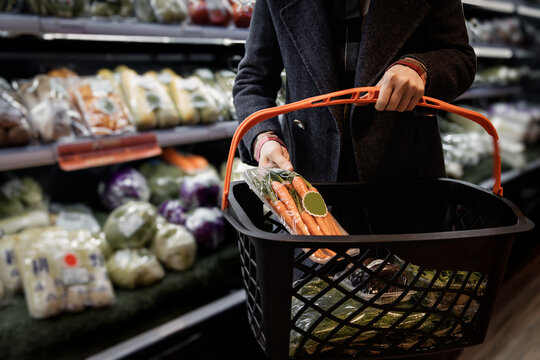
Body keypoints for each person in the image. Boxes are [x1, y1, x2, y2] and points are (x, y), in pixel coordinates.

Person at [233, 0, 476, 185]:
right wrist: (263, 138)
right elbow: (253, 79)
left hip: (405, 175)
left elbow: (460, 58)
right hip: (309, 178)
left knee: (406, 252)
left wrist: (420, 69)